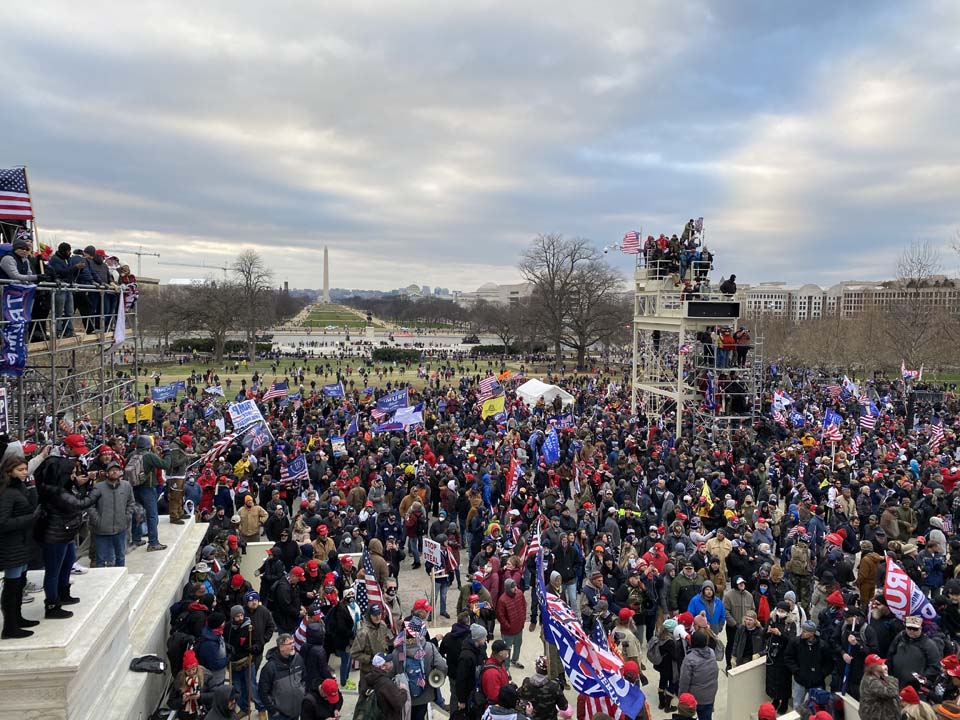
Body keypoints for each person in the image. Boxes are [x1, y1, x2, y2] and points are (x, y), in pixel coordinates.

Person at [35, 445, 100, 618]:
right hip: (55, 535)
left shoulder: (65, 486)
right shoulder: (55, 491)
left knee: (68, 562)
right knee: (53, 570)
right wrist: (95, 491)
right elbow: (79, 503)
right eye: (71, 473)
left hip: (66, 532)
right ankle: (52, 604)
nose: (73, 476)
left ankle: (64, 593)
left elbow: (77, 495)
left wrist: (82, 484)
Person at [0, 455, 39, 638]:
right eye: (20, 470)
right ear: (10, 471)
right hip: (12, 546)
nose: (24, 473)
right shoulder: (7, 493)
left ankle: (17, 618)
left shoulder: (20, 488)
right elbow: (3, 522)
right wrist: (31, 518)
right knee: (12, 585)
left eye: (25, 469)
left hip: (22, 543)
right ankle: (10, 626)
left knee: (20, 583)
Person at [390, 616, 447, 720]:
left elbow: (391, 673)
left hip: (404, 696)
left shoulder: (396, 651)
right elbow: (442, 666)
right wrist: (434, 680)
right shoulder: (430, 648)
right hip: (425, 695)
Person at [126, 434, 172, 552]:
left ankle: (136, 539)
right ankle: (153, 542)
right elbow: (165, 465)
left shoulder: (131, 454)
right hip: (148, 488)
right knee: (151, 515)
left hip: (134, 488)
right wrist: (167, 453)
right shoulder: (149, 456)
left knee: (136, 513)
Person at [88, 459, 135, 567]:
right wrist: (97, 520)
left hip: (120, 528)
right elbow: (90, 505)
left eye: (117, 470)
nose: (114, 472)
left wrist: (126, 517)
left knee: (121, 557)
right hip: (101, 531)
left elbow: (131, 503)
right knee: (100, 559)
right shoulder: (98, 487)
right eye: (112, 470)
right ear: (107, 473)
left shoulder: (126, 486)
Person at [784, 621, 832, 711]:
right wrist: (796, 671)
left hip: (817, 682)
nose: (803, 633)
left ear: (812, 633)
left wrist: (821, 674)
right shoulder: (795, 642)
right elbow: (788, 657)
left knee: (817, 706)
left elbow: (829, 663)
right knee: (797, 704)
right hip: (800, 681)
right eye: (803, 630)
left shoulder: (823, 646)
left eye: (805, 631)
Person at [259, 634, 306, 720]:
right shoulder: (270, 668)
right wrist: (274, 711)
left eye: (293, 643)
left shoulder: (298, 659)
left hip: (296, 712)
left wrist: (302, 693)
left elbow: (304, 679)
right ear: (281, 648)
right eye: (289, 644)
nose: (293, 646)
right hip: (279, 715)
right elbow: (263, 692)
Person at [677, 631, 718, 720]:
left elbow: (684, 682)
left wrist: (682, 698)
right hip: (709, 696)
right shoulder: (711, 653)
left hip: (694, 699)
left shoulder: (689, 659)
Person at [519, 655, 568, 720]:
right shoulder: (554, 686)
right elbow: (564, 706)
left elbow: (519, 698)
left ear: (536, 668)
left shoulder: (526, 682)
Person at [360, 653, 407, 720]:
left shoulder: (367, 678)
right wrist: (403, 690)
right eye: (389, 662)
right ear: (383, 666)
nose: (391, 663)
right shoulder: (386, 683)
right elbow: (399, 703)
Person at [496, 578, 527, 670]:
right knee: (506, 649)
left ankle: (515, 659)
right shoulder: (502, 600)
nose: (515, 589)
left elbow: (524, 606)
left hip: (519, 627)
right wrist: (507, 626)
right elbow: (500, 616)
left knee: (518, 645)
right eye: (513, 587)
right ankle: (506, 667)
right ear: (508, 588)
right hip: (508, 631)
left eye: (516, 586)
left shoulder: (520, 594)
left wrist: (523, 620)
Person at [859, 654, 902, 720]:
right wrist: (887, 676)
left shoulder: (879, 676)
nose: (884, 665)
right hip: (877, 716)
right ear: (873, 667)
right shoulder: (871, 681)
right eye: (881, 664)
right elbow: (892, 692)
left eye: (883, 663)